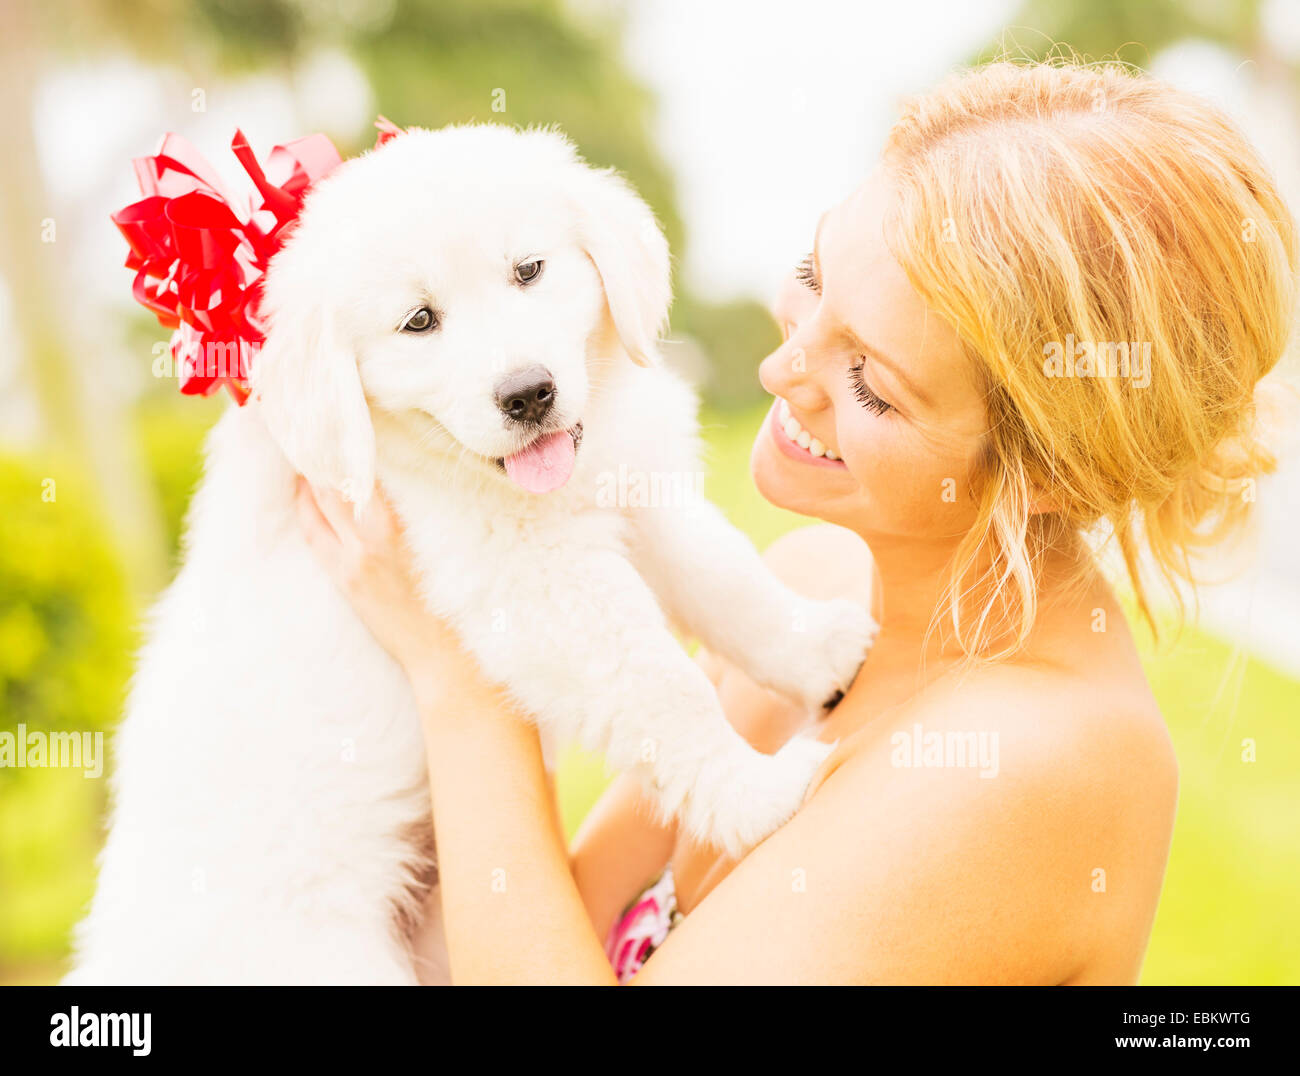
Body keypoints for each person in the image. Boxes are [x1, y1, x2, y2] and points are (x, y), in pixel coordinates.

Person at [294, 60, 1296, 984]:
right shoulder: (814, 583)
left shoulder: (1034, 760)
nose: (783, 371)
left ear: (1045, 467)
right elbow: (526, 930)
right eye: (814, 279)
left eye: (868, 381)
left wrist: (459, 673)